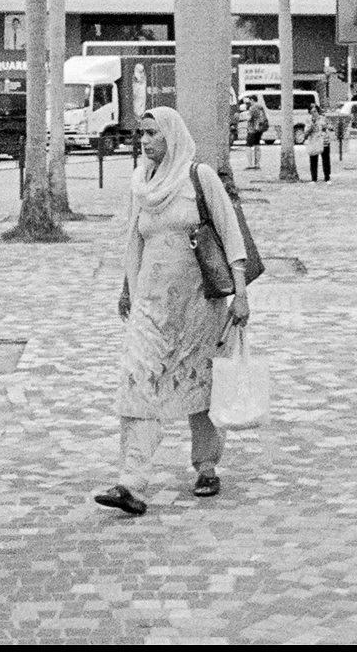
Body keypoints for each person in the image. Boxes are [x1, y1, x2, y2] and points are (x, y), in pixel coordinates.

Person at [98, 106, 249, 517]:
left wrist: (240, 293)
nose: (145, 141)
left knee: (197, 385)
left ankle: (205, 465)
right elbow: (135, 240)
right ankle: (131, 481)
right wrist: (127, 287)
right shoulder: (140, 184)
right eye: (141, 134)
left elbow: (231, 233)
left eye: (153, 134)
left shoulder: (198, 177)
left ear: (173, 136)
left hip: (200, 304)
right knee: (138, 382)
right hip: (151, 305)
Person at [243, 95, 268, 170]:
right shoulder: (261, 107)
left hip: (252, 129)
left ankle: (250, 165)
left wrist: (246, 115)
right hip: (260, 129)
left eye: (249, 100)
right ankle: (257, 164)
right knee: (257, 145)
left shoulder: (252, 107)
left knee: (248, 146)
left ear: (252, 100)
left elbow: (249, 118)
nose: (249, 102)